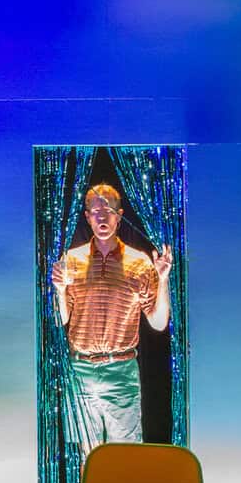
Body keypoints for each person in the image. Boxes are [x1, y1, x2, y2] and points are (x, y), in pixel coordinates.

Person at [51, 183, 173, 448]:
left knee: (124, 456)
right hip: (81, 370)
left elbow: (158, 322)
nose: (102, 217)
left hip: (121, 371)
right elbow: (61, 319)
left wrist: (163, 280)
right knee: (87, 455)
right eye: (96, 212)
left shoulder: (140, 262)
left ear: (119, 216)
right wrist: (60, 290)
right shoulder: (71, 259)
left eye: (108, 211)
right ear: (87, 217)